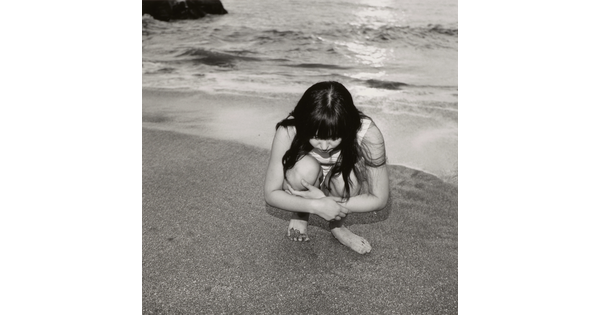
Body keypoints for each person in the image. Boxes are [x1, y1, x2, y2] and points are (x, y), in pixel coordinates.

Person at [264, 81, 389, 254]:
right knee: (304, 169)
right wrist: (315, 205)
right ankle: (301, 213)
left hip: (338, 179)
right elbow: (271, 194)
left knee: (348, 180)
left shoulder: (367, 134)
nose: (323, 146)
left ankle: (337, 226)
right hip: (306, 179)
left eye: (333, 137)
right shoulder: (291, 129)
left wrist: (327, 202)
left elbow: (379, 199)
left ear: (347, 127)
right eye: (315, 136)